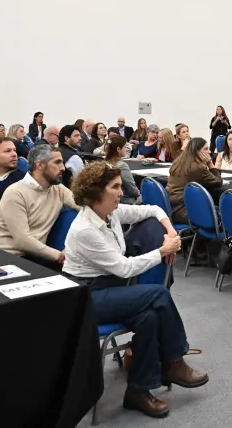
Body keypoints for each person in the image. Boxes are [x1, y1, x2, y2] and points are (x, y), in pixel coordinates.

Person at [62, 163, 205, 418]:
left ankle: (138, 391)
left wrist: (170, 231)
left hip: (108, 286)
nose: (122, 192)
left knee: (148, 317)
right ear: (97, 192)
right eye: (115, 187)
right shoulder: (85, 229)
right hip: (87, 296)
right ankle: (174, 360)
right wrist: (163, 251)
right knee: (159, 295)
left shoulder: (110, 213)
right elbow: (125, 268)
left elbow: (153, 209)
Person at [0, 145, 77, 267]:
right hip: (5, 256)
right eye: (57, 162)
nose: (63, 168)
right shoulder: (15, 193)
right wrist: (60, 256)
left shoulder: (58, 189)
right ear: (40, 165)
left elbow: (82, 205)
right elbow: (23, 241)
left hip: (35, 256)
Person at [166, 138, 223, 225]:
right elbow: (218, 182)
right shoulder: (198, 167)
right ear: (197, 151)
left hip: (170, 207)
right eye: (206, 149)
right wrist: (210, 164)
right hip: (184, 211)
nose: (209, 152)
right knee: (222, 212)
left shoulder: (178, 163)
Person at [105, 135, 141, 204]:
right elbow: (132, 190)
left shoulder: (105, 163)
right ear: (118, 149)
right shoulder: (122, 166)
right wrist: (137, 192)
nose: (127, 149)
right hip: (126, 201)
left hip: (111, 199)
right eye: (125, 147)